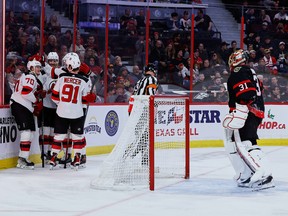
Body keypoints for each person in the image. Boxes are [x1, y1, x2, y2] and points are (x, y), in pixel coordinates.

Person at [222, 49, 274, 189]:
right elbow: (257, 88)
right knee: (244, 142)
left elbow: (247, 93)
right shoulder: (248, 71)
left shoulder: (238, 71)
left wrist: (240, 111)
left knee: (247, 143)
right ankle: (247, 175)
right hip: (255, 109)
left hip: (248, 111)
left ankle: (264, 175)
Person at [49, 54, 96, 170]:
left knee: (59, 136)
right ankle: (78, 158)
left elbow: (54, 97)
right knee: (78, 137)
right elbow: (85, 100)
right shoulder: (84, 80)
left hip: (61, 111)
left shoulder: (62, 77)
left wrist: (62, 105)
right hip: (78, 112)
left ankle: (53, 157)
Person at [10, 60, 44, 169]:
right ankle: (22, 159)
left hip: (23, 106)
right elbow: (25, 92)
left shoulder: (26, 77)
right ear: (31, 68)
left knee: (30, 133)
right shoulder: (30, 77)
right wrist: (36, 101)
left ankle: (23, 157)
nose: (39, 69)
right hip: (20, 105)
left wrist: (37, 96)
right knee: (26, 132)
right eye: (37, 67)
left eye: (39, 67)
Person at [127, 63, 159, 166]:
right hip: (144, 111)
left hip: (134, 111)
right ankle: (130, 155)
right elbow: (150, 96)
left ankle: (143, 160)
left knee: (143, 137)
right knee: (146, 137)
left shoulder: (140, 81)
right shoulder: (152, 79)